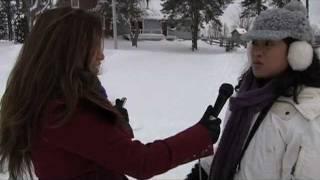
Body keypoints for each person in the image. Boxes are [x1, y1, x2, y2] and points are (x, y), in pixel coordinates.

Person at [0, 7, 222, 180]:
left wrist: (114, 121)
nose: (102, 56)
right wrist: (201, 135)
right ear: (72, 52)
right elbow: (141, 162)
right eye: (96, 47)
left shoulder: (58, 99)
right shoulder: (63, 112)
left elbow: (103, 151)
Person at [195, 1, 320, 180]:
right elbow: (231, 150)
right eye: (255, 42)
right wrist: (202, 172)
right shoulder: (246, 98)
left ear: (297, 52)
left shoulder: (309, 116)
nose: (257, 52)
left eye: (268, 43)